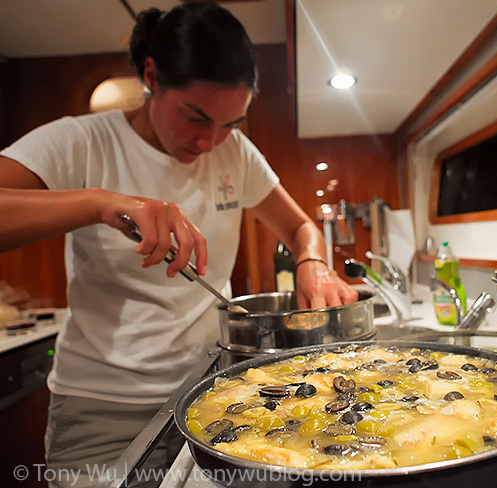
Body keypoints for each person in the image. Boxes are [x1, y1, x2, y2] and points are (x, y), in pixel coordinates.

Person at [0, 2, 358, 486]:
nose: (210, 143)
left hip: (213, 394)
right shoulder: (82, 142)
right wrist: (99, 203)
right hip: (104, 409)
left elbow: (300, 229)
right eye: (196, 116)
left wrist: (313, 261)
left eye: (231, 124)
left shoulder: (235, 154)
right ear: (152, 75)